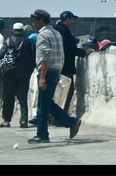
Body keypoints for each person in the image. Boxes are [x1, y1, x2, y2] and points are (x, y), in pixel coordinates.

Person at [28, 9, 81, 144]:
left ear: (41, 20)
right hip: (56, 70)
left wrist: (42, 77)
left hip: (47, 71)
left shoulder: (43, 35)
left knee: (42, 106)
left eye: (35, 20)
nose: (33, 23)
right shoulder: (56, 33)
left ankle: (43, 134)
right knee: (47, 103)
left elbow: (45, 56)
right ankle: (70, 122)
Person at [0, 23, 36, 128]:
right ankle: (24, 120)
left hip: (9, 74)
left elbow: (1, 55)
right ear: (22, 30)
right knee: (23, 98)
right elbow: (34, 59)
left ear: (13, 30)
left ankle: (6, 120)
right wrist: (29, 72)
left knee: (8, 98)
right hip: (24, 75)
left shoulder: (9, 41)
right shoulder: (29, 42)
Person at [53, 10, 90, 116]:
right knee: (66, 92)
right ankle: (61, 116)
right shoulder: (64, 31)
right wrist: (84, 52)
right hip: (65, 67)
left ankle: (54, 115)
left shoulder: (55, 29)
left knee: (56, 93)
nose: (73, 22)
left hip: (55, 65)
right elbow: (69, 48)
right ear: (67, 19)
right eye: (72, 19)